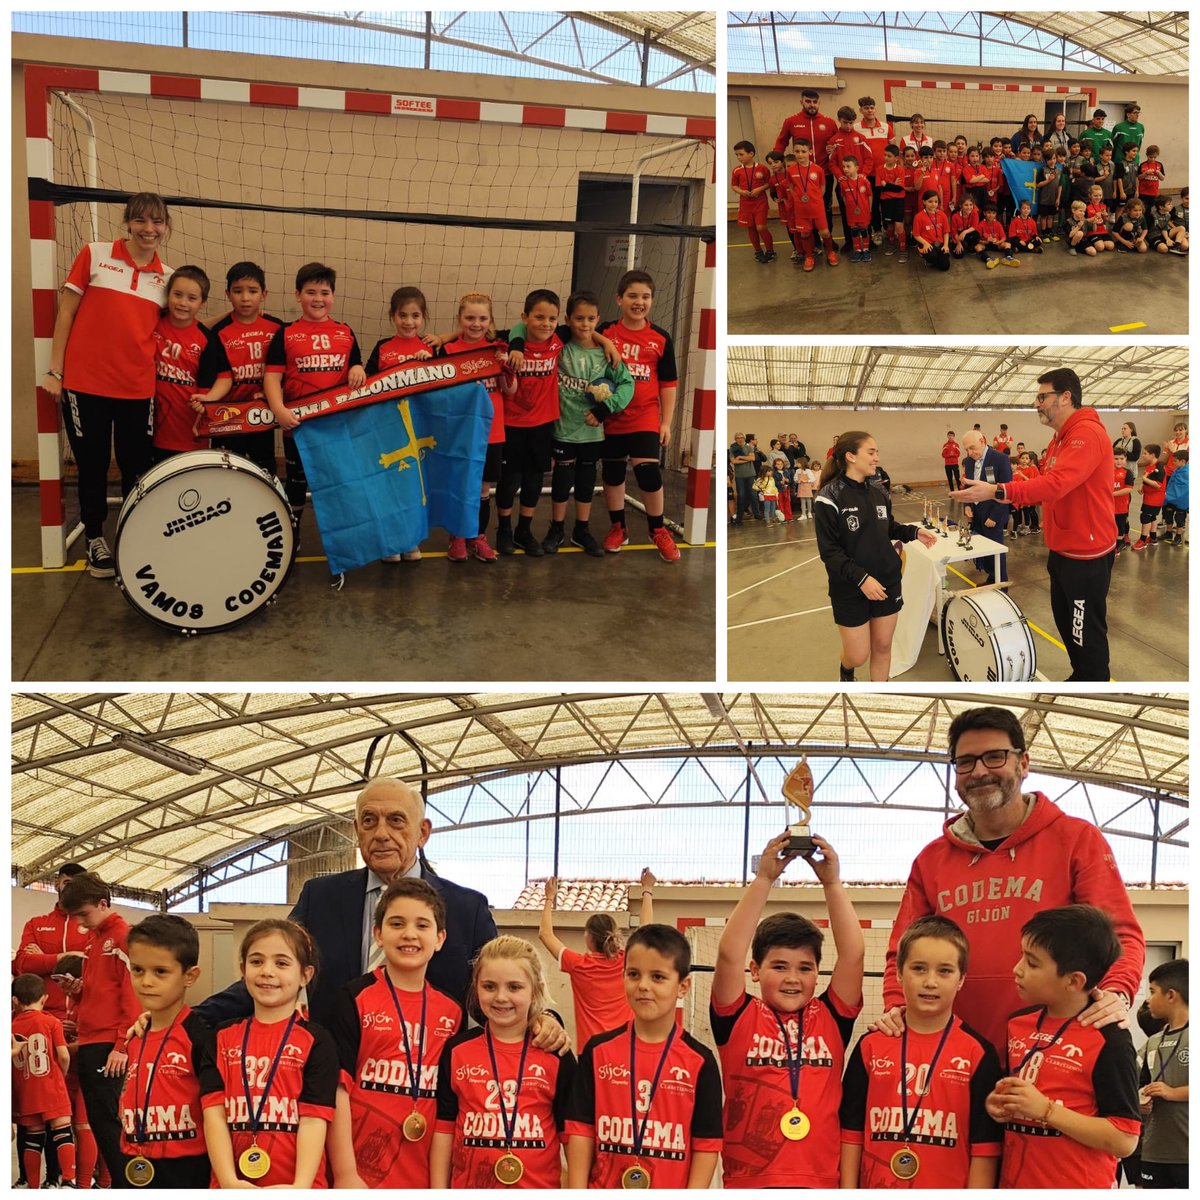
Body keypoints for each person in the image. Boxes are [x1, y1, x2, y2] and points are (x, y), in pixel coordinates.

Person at [877, 705, 1146, 1055]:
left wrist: (1116, 992)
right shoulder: (931, 860)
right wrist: (897, 1006)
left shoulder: (1077, 840)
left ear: (1023, 763)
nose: (979, 771)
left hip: (1051, 1052)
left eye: (994, 757)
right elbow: (901, 949)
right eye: (965, 762)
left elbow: (1120, 934)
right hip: (954, 1054)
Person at [194, 777, 498, 1029]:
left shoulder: (466, 910)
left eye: (396, 820)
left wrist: (530, 1031)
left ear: (423, 832)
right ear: (356, 830)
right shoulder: (320, 898)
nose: (381, 833)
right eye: (369, 821)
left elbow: (497, 991)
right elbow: (274, 968)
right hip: (334, 1070)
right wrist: (188, 1022)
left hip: (429, 1075)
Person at [711, 832, 864, 1190]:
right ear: (754, 970)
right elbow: (729, 954)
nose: (793, 978)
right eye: (779, 967)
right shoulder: (738, 1016)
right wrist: (764, 879)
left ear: (818, 973)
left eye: (805, 968)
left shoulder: (831, 1017)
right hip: (750, 1182)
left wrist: (832, 884)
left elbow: (853, 954)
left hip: (820, 1181)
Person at [952, 369, 1116, 680]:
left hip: (1086, 554)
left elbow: (1056, 484)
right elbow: (1044, 486)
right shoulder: (1059, 439)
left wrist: (999, 491)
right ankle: (1080, 675)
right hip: (1062, 549)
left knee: (1085, 634)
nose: (1036, 403)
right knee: (1067, 625)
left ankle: (1093, 684)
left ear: (1065, 397)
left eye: (1042, 397)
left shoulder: (1086, 435)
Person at [41, 192, 172, 578]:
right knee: (93, 465)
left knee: (136, 467)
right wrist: (55, 371)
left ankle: (132, 534)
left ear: (166, 227)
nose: (149, 229)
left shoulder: (167, 277)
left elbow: (182, 321)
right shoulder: (94, 254)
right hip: (86, 385)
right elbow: (66, 312)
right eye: (140, 220)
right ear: (127, 222)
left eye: (157, 221)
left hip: (138, 388)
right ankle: (95, 537)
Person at [839, 916, 1002, 1188]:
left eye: (945, 971)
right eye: (919, 968)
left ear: (961, 979)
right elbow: (851, 1132)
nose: (930, 982)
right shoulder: (871, 1046)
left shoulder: (978, 1053)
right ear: (899, 974)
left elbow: (985, 1147)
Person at [986, 906, 1140, 1189]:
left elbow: (1125, 1139)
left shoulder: (1109, 1039)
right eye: (1021, 956)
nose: (1017, 969)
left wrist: (1046, 1110)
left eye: (1032, 963)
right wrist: (998, 1103)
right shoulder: (1017, 1024)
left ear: (1073, 980)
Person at [327, 878, 462, 1188]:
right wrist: (345, 1173)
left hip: (423, 1175)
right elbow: (337, 1090)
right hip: (359, 1176)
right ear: (378, 934)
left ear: (439, 938)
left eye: (422, 925)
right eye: (397, 923)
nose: (409, 934)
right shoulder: (354, 998)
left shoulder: (452, 1011)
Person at [565, 925, 723, 1188]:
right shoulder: (597, 1051)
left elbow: (706, 1146)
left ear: (683, 986)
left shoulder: (701, 1061)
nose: (643, 986)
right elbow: (581, 1130)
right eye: (634, 974)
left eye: (658, 977)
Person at [199, 919, 339, 1188]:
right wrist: (228, 1182)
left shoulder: (317, 1042)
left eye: (282, 963)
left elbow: (313, 1120)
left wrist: (300, 1187)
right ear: (243, 970)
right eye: (256, 961)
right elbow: (214, 1116)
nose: (267, 971)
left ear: (305, 975)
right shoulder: (221, 1038)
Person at [431, 935, 577, 1188]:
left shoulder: (555, 1052)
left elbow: (573, 1136)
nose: (500, 997)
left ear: (536, 990)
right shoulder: (456, 1051)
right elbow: (444, 1130)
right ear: (475, 987)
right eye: (489, 986)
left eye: (514, 987)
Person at [814, 431, 939, 682]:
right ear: (850, 456)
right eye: (871, 452)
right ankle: (846, 670)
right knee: (858, 655)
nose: (877, 458)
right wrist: (862, 579)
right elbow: (830, 552)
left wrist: (914, 532)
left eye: (877, 452)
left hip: (887, 581)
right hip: (850, 587)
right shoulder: (829, 497)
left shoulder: (879, 490)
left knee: (882, 646)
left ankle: (879, 693)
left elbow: (887, 526)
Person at [264, 261, 366, 527]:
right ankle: (293, 532)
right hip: (298, 427)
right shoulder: (285, 333)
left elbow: (356, 364)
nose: (318, 299)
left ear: (333, 296)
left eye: (324, 293)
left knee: (339, 481)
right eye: (311, 292)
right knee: (297, 482)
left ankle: (342, 534)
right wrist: (279, 410)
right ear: (298, 295)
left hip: (336, 426)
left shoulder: (345, 332)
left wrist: (357, 368)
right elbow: (272, 377)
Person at [58, 870, 143, 1185]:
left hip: (109, 1044)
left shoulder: (123, 937)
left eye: (84, 914)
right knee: (99, 1121)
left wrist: (122, 1045)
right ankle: (122, 1183)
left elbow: (132, 994)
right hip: (92, 1041)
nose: (81, 923)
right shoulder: (94, 941)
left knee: (109, 1122)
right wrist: (78, 992)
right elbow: (101, 992)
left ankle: (130, 1184)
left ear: (103, 904)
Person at [118, 914, 211, 1187]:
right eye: (137, 970)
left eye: (160, 971)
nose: (146, 981)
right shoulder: (135, 1036)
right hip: (135, 1163)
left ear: (190, 976)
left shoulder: (201, 1039)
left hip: (188, 1170)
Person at [596, 271, 682, 562]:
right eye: (632, 296)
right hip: (611, 416)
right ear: (619, 299)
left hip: (645, 415)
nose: (639, 302)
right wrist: (604, 341)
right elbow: (581, 332)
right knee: (612, 473)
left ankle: (657, 529)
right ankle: (618, 527)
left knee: (648, 473)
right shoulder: (606, 331)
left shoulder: (660, 338)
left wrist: (666, 422)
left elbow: (668, 383)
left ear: (652, 300)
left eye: (645, 297)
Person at [539, 869, 655, 1053]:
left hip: (591, 1052)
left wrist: (549, 898)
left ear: (589, 938)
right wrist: (647, 889)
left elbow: (545, 934)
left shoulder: (578, 965)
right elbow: (646, 930)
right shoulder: (627, 961)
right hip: (625, 1050)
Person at [439, 292, 516, 562]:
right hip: (461, 431)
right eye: (470, 317)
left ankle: (477, 536)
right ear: (459, 318)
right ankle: (457, 536)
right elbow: (441, 394)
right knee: (460, 485)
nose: (476, 324)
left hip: (491, 431)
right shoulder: (448, 351)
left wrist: (505, 368)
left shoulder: (497, 351)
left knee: (483, 488)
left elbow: (510, 390)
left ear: (490, 321)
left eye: (482, 318)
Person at [194, 262, 286, 479]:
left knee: (264, 472)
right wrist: (208, 399)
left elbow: (285, 371)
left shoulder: (277, 328)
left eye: (252, 291)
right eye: (238, 291)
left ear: (264, 294)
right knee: (225, 473)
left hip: (261, 415)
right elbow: (223, 376)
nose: (245, 298)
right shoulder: (219, 332)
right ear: (228, 294)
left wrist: (276, 394)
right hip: (228, 417)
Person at [493, 289, 565, 557]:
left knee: (534, 480)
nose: (546, 324)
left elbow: (590, 329)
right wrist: (515, 345)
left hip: (542, 423)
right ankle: (504, 529)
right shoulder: (507, 341)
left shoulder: (559, 340)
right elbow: (479, 330)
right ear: (525, 317)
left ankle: (524, 530)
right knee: (510, 480)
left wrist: (606, 343)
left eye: (552, 318)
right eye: (539, 317)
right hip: (512, 423)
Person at [12, 974, 77, 1189]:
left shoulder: (11, 1026)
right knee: (62, 1131)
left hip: (26, 1089)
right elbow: (64, 1055)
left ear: (15, 1001)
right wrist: (61, 1074)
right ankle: (68, 1180)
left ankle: (32, 1185)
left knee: (33, 1137)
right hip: (52, 1085)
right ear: (45, 998)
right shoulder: (51, 1022)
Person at [1138, 958, 1189, 1189]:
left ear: (1171, 995)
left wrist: (1173, 1092)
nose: (1148, 1000)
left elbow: (1171, 1091)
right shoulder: (1153, 1041)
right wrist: (1141, 1099)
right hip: (1154, 1151)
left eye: (1152, 991)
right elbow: (1141, 1084)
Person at [152, 266, 212, 460]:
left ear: (202, 303)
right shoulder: (152, 324)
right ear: (167, 295)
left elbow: (207, 390)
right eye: (177, 295)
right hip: (152, 433)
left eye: (192, 298)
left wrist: (204, 404)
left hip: (190, 434)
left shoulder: (206, 340)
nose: (183, 303)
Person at [773, 89, 839, 233]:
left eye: (815, 102)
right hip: (800, 175)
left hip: (824, 173)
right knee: (805, 207)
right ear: (801, 102)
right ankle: (813, 241)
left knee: (825, 207)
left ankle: (828, 237)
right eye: (808, 101)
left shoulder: (829, 122)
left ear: (819, 103)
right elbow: (781, 142)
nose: (812, 105)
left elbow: (838, 142)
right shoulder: (791, 121)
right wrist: (777, 162)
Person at [957, 431, 1011, 584]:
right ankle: (991, 578)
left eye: (972, 448)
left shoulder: (1000, 459)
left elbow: (1007, 490)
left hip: (993, 514)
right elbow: (968, 486)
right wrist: (967, 505)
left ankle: (1001, 585)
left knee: (996, 553)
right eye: (966, 449)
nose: (969, 453)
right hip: (976, 514)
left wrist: (995, 516)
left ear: (982, 441)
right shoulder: (969, 462)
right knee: (983, 551)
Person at [785, 139, 839, 270]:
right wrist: (797, 198)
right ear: (793, 152)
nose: (800, 154)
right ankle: (809, 257)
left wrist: (816, 199)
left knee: (825, 232)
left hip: (816, 206)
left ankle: (830, 252)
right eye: (797, 151)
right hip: (801, 208)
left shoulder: (818, 169)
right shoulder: (791, 170)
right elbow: (791, 186)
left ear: (810, 152)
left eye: (803, 151)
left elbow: (822, 186)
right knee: (805, 233)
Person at [852, 95, 893, 242]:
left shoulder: (886, 127)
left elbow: (893, 150)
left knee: (887, 203)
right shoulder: (855, 128)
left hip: (885, 174)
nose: (869, 110)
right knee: (873, 204)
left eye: (871, 107)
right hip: (867, 174)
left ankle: (889, 230)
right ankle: (877, 230)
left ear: (875, 109)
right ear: (861, 110)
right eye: (866, 108)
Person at [733, 140, 775, 263]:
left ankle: (770, 251)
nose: (738, 157)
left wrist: (759, 189)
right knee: (751, 228)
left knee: (761, 227)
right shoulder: (737, 170)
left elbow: (769, 183)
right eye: (736, 155)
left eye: (741, 154)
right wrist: (742, 192)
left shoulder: (762, 168)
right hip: (745, 203)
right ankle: (758, 251)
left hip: (760, 202)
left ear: (751, 154)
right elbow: (734, 185)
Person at [835, 155, 874, 262]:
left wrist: (869, 209)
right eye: (843, 166)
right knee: (854, 231)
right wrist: (848, 208)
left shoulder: (864, 181)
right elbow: (844, 197)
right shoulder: (843, 183)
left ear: (856, 168)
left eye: (848, 166)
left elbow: (870, 196)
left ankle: (866, 249)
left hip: (864, 211)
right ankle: (857, 250)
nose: (845, 169)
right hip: (851, 213)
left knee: (864, 230)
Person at [875, 143, 909, 261]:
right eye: (885, 155)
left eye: (889, 156)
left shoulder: (900, 170)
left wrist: (886, 184)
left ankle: (903, 249)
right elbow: (878, 188)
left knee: (899, 225)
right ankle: (891, 245)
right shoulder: (879, 169)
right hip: (886, 200)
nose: (886, 158)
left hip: (898, 200)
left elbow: (899, 188)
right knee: (889, 225)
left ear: (896, 158)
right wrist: (892, 184)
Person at [1132, 443, 1167, 549]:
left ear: (1152, 455)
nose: (1143, 455)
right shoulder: (1149, 466)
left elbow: (1158, 484)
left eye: (1145, 453)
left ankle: (1142, 540)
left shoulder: (1159, 467)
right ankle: (1153, 538)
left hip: (1155, 498)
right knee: (1152, 516)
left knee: (1145, 516)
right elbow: (1148, 480)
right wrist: (1142, 486)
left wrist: (1144, 479)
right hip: (1148, 496)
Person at [912, 190, 951, 271]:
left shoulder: (942, 214)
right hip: (927, 243)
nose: (933, 204)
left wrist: (945, 245)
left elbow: (946, 232)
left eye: (936, 201)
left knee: (945, 266)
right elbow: (916, 235)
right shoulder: (918, 217)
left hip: (939, 243)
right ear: (924, 202)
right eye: (930, 201)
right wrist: (925, 243)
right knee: (931, 256)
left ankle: (937, 258)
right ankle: (927, 257)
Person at [1162, 449, 1189, 546]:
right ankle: (1168, 533)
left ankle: (1178, 536)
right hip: (1170, 498)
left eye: (1175, 461)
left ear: (1183, 461)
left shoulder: (1187, 473)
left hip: (1181, 500)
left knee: (1179, 518)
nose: (1173, 462)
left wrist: (1172, 496)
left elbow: (1184, 489)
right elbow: (1171, 484)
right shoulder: (1177, 469)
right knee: (1168, 514)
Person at [729, 432, 757, 526]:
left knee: (753, 494)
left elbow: (753, 458)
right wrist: (747, 459)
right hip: (740, 476)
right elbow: (733, 461)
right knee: (741, 496)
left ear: (744, 439)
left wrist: (741, 457)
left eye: (741, 437)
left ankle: (756, 513)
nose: (740, 439)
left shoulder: (749, 447)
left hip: (751, 474)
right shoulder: (733, 448)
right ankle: (739, 517)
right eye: (738, 438)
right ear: (735, 439)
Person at [1112, 448, 1136, 553]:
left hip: (1121, 505)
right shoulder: (1106, 471)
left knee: (1120, 523)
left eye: (1121, 458)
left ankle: (1120, 543)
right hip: (1109, 505)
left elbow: (1128, 489)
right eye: (1116, 458)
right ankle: (1111, 541)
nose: (1119, 461)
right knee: (1110, 523)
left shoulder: (1127, 473)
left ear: (1125, 459)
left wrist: (1112, 494)